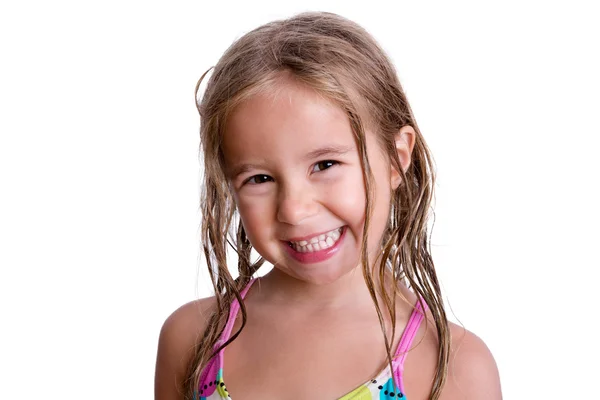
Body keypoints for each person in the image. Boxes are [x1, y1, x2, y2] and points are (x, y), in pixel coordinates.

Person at [155, 11, 501, 400]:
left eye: (325, 165)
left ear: (396, 157)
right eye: (259, 179)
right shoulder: (192, 340)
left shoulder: (454, 367)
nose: (294, 209)